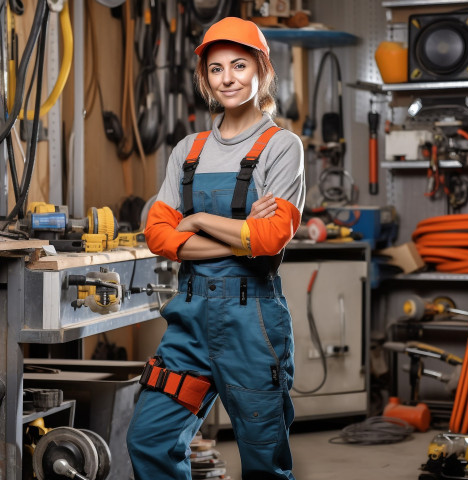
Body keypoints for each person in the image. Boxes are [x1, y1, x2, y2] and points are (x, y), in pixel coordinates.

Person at [127, 16, 305, 480]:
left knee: (264, 459)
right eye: (216, 68)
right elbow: (158, 236)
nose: (228, 78)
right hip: (188, 322)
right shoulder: (189, 149)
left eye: (240, 65)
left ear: (262, 71)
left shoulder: (281, 147)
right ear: (204, 77)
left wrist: (199, 220)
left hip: (252, 325)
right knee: (150, 438)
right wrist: (242, 232)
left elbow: (270, 240)